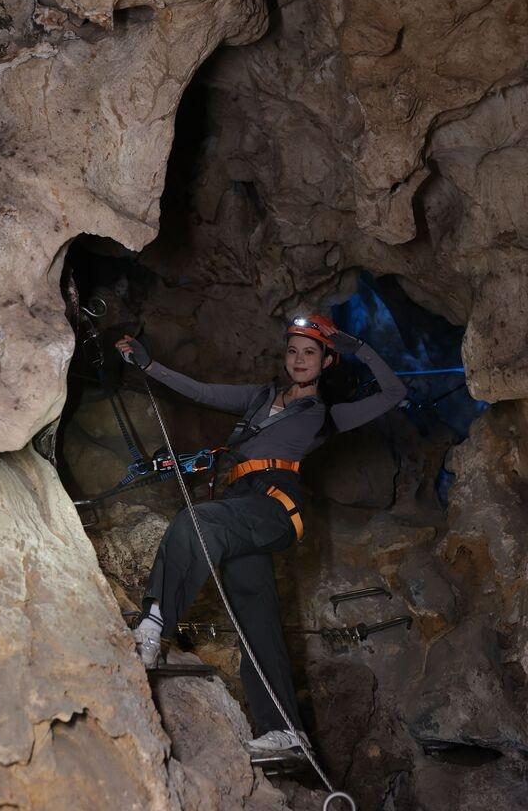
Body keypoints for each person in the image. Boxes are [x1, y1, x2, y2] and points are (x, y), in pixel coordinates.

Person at [115, 315, 406, 755]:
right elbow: (201, 390)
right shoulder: (261, 396)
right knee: (256, 618)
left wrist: (358, 346)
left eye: (311, 352)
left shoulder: (326, 415)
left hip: (276, 505)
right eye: (293, 351)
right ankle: (286, 731)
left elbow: (395, 393)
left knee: (199, 522)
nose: (300, 359)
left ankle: (153, 627)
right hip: (242, 504)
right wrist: (149, 366)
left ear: (327, 361)